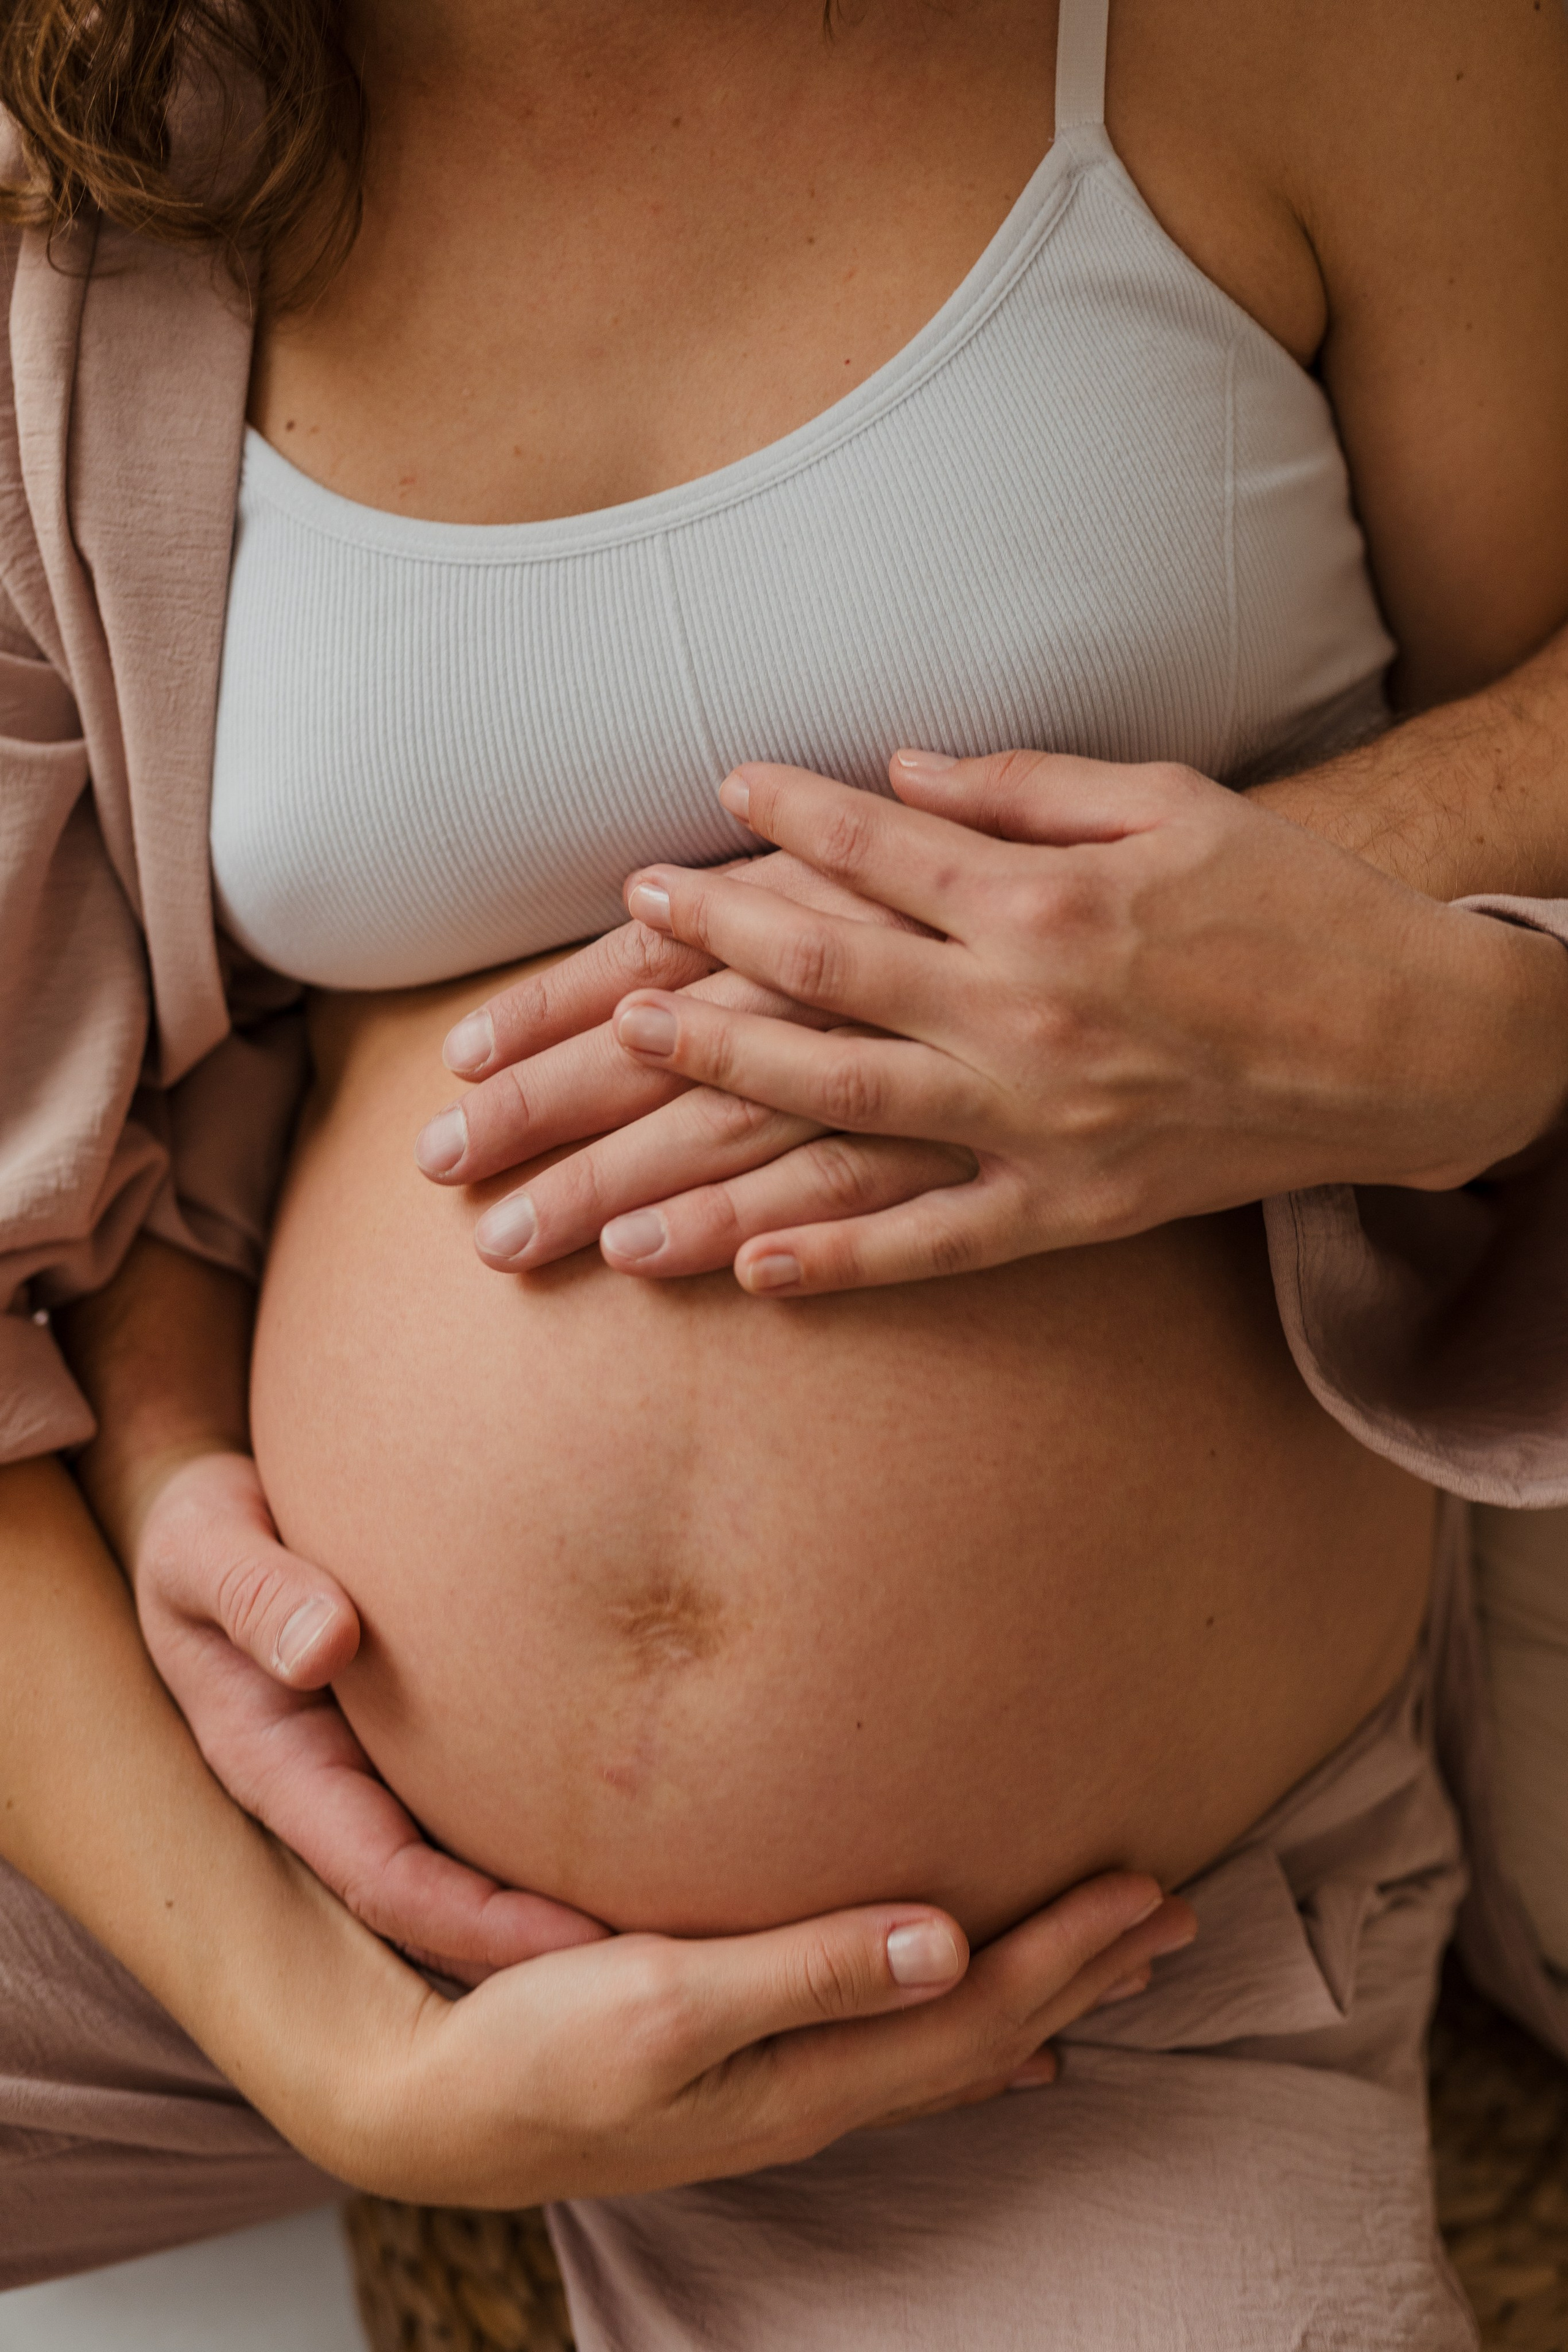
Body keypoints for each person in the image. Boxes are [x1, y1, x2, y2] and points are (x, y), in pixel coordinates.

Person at [0, 0, 1565, 2343]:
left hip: (1041, 1997)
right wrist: (337, 2054)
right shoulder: (88, 138)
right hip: (171, 1826)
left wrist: (1418, 992)